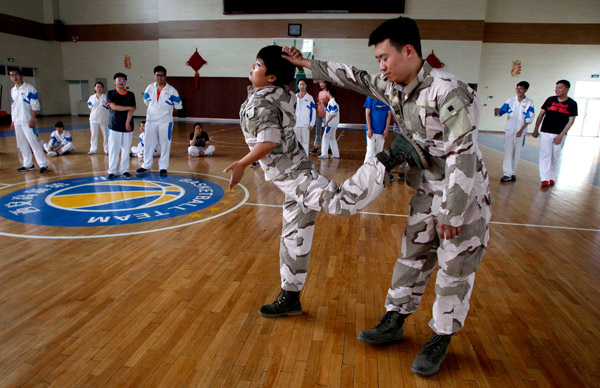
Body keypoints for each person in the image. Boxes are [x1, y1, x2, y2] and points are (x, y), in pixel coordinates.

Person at [284, 16, 493, 377]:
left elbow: (465, 154)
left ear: (409, 51)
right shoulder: (393, 86)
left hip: (463, 196)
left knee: (454, 269)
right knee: (412, 254)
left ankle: (440, 337)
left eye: (385, 57)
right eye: (379, 59)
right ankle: (395, 319)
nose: (380, 65)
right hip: (427, 189)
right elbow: (355, 77)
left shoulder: (448, 91)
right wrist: (307, 64)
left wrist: (453, 212)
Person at [224, 45, 403, 321]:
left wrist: (242, 163)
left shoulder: (261, 102)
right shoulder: (280, 92)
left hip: (294, 177)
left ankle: (387, 160)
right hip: (293, 175)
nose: (252, 67)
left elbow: (269, 141)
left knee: (342, 203)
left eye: (258, 64)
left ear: (272, 77)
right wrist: (292, 64)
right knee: (295, 236)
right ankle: (290, 297)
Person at [137, 65, 182, 176]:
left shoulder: (172, 90)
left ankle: (163, 167)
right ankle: (146, 165)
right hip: (151, 120)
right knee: (148, 142)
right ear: (154, 76)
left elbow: (179, 106)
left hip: (165, 121)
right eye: (158, 75)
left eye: (162, 76)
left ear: (165, 77)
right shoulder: (149, 88)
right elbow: (146, 101)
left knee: (165, 143)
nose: (160, 78)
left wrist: (167, 112)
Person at [532, 80, 577, 188]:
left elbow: (571, 121)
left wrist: (561, 135)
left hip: (559, 134)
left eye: (560, 87)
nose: (557, 90)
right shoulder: (550, 100)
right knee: (545, 155)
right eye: (556, 87)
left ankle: (551, 176)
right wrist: (536, 129)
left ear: (567, 89)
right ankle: (544, 178)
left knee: (555, 156)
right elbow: (540, 115)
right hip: (546, 132)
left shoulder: (572, 104)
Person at [9, 68, 48, 173]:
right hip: (17, 121)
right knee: (22, 144)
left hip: (27, 121)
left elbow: (35, 105)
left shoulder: (30, 89)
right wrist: (13, 120)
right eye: (12, 75)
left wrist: (32, 119)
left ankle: (43, 164)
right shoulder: (13, 90)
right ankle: (28, 164)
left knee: (34, 142)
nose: (14, 77)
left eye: (16, 75)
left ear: (21, 76)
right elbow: (13, 106)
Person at [494, 81, 535, 183]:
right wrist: (497, 111)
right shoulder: (510, 101)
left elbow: (529, 118)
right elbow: (501, 112)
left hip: (521, 132)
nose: (518, 90)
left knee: (517, 152)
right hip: (509, 130)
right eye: (517, 88)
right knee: (508, 152)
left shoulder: (529, 102)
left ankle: (513, 172)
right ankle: (507, 174)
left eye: (521, 89)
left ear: (526, 90)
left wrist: (521, 130)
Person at [106, 72, 136, 179]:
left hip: (127, 127)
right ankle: (112, 170)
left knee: (126, 149)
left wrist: (127, 122)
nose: (121, 82)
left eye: (123, 80)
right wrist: (128, 108)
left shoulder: (130, 95)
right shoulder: (110, 93)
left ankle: (125, 170)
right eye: (119, 80)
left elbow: (132, 110)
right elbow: (114, 107)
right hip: (114, 125)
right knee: (114, 149)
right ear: (115, 81)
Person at [364, 96, 392, 164]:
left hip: (382, 131)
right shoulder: (370, 97)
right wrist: (369, 128)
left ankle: (375, 169)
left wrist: (386, 129)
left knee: (379, 152)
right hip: (371, 130)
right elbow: (367, 114)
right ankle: (365, 169)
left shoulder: (387, 98)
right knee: (370, 150)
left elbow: (389, 115)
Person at [294, 79, 316, 155]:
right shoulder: (294, 97)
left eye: (303, 84)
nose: (302, 86)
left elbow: (313, 111)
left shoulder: (310, 98)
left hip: (306, 124)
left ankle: (305, 159)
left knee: (305, 142)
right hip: (296, 124)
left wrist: (311, 123)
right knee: (296, 142)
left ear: (306, 85)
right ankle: (297, 158)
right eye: (300, 84)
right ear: (298, 86)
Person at [87, 81, 109, 155]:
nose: (99, 88)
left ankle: (107, 149)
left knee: (106, 135)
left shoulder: (106, 97)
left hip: (104, 119)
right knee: (94, 134)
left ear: (103, 88)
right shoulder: (91, 97)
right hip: (93, 119)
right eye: (98, 87)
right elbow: (90, 107)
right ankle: (93, 149)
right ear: (95, 88)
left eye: (100, 87)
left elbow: (109, 107)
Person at [318, 87, 340, 159]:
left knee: (325, 137)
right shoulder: (333, 102)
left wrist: (327, 122)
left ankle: (324, 154)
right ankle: (336, 154)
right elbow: (328, 111)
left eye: (327, 91)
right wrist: (322, 104)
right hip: (334, 124)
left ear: (330, 93)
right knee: (332, 138)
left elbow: (332, 114)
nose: (326, 92)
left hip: (331, 124)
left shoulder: (332, 102)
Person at [310, 81, 330, 154]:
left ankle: (328, 148)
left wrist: (324, 103)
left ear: (326, 83)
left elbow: (330, 104)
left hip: (326, 115)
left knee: (327, 132)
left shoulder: (328, 93)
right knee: (317, 131)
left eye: (322, 83)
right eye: (320, 83)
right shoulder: (319, 93)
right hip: (318, 114)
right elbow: (318, 101)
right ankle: (316, 147)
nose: (320, 84)